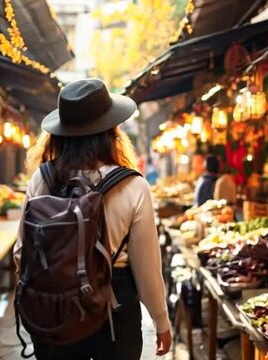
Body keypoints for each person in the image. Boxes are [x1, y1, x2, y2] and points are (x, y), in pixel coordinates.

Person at [13, 78, 171, 360]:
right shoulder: (133, 186)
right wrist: (161, 320)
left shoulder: (43, 178)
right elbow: (146, 268)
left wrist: (51, 284)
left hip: (55, 310)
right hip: (115, 309)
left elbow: (21, 252)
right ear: (112, 131)